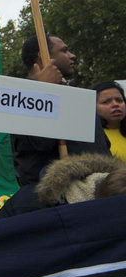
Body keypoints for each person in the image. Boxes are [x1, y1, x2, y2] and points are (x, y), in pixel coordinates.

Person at [12, 34, 110, 187]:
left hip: (96, 191)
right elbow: (40, 142)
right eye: (64, 51)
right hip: (55, 198)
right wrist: (45, 91)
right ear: (43, 56)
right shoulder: (19, 95)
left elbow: (102, 146)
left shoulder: (76, 96)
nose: (73, 56)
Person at [93, 81, 126, 162]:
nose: (115, 104)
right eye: (106, 102)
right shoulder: (92, 137)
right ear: (94, 107)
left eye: (119, 100)